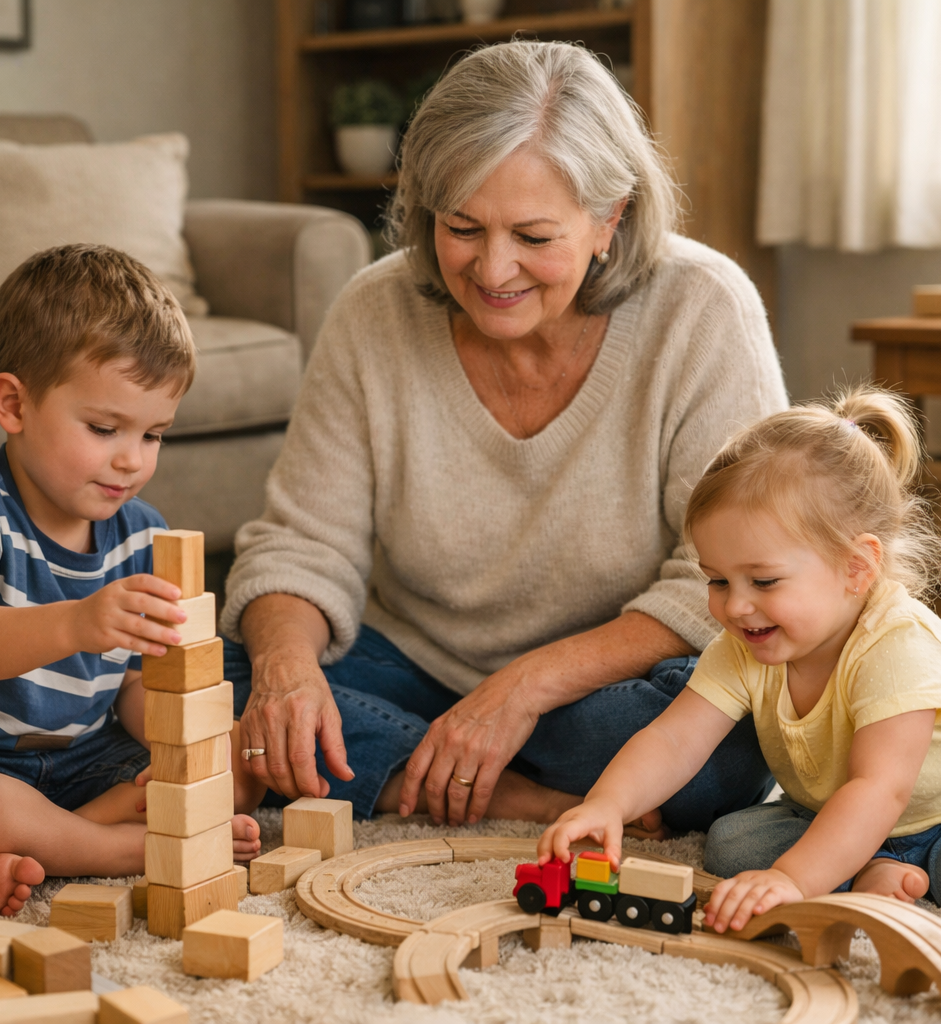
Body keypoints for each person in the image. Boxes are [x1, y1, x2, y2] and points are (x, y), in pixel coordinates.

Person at [221, 40, 788, 830]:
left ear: (610, 219)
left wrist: (525, 688)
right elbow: (301, 545)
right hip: (415, 668)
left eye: (533, 237)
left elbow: (725, 580)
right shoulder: (371, 312)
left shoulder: (703, 308)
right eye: (462, 227)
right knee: (201, 681)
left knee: (728, 737)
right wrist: (287, 675)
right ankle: (514, 792)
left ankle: (407, 767)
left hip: (601, 690)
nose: (492, 271)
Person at [539, 385, 941, 929]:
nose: (735, 606)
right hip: (836, 812)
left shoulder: (899, 645)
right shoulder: (746, 646)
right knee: (734, 845)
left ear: (856, 568)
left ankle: (869, 867)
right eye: (718, 580)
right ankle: (872, 866)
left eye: (764, 581)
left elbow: (880, 788)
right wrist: (606, 804)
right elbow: (673, 740)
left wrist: (792, 880)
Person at [0, 244, 264, 917]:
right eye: (104, 428)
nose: (131, 461)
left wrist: (183, 740)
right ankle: (118, 848)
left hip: (89, 764)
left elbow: (133, 684)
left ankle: (28, 847)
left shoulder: (142, 533)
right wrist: (77, 622)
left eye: (153, 435)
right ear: (13, 404)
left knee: (235, 763)